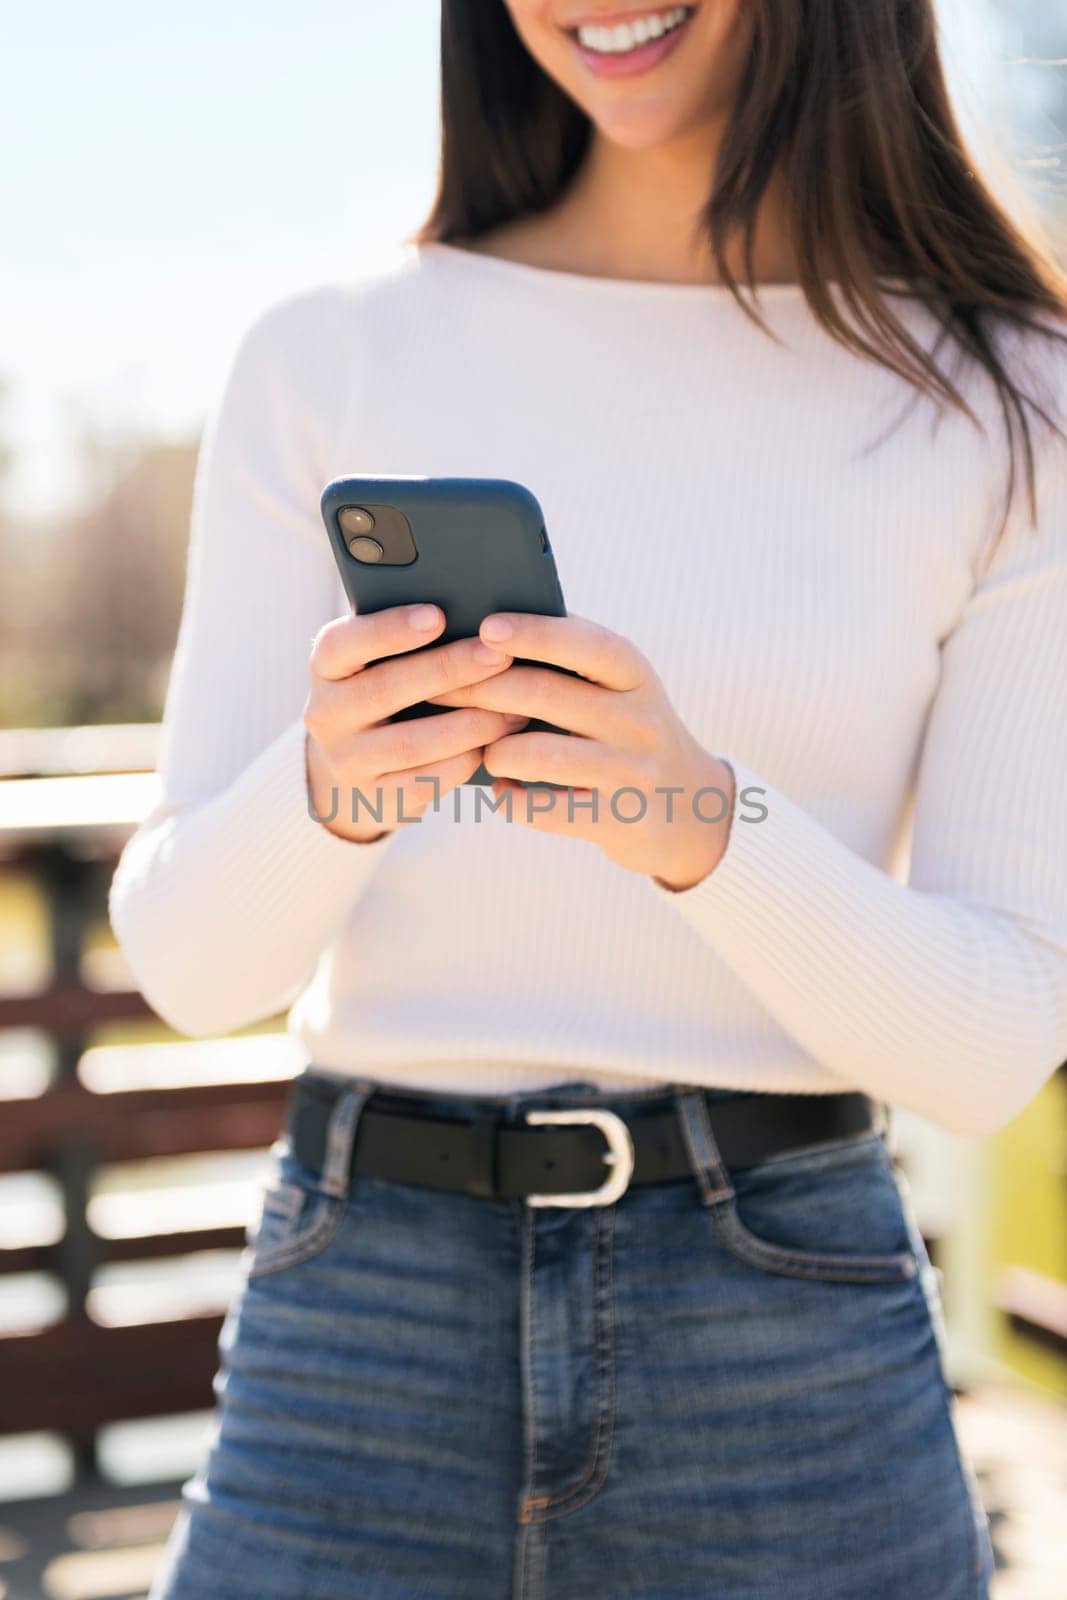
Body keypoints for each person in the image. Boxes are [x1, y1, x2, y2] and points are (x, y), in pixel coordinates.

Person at [110, 2, 1067, 1595]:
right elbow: (198, 970)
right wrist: (329, 788)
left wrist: (700, 825)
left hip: (790, 1344)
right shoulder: (329, 355)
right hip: (361, 1320)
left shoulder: (1012, 399)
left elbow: (988, 1050)